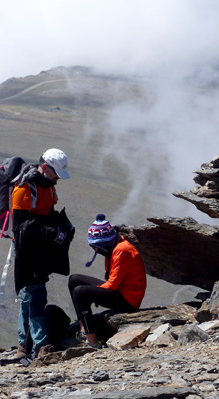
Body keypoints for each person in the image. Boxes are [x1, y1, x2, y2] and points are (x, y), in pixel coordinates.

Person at [11, 148, 74, 359]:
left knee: (29, 295)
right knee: (37, 294)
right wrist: (51, 232)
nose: (58, 178)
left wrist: (62, 227)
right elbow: (19, 226)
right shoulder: (24, 189)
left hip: (39, 247)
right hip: (26, 248)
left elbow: (48, 215)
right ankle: (41, 345)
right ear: (45, 167)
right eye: (55, 173)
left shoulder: (49, 187)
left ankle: (23, 346)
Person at [64, 214, 146, 348]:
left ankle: (92, 342)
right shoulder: (113, 247)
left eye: (96, 246)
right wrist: (96, 292)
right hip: (120, 290)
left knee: (80, 292)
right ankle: (84, 328)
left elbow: (112, 285)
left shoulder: (122, 250)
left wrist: (95, 293)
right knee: (74, 280)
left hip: (128, 300)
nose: (96, 250)